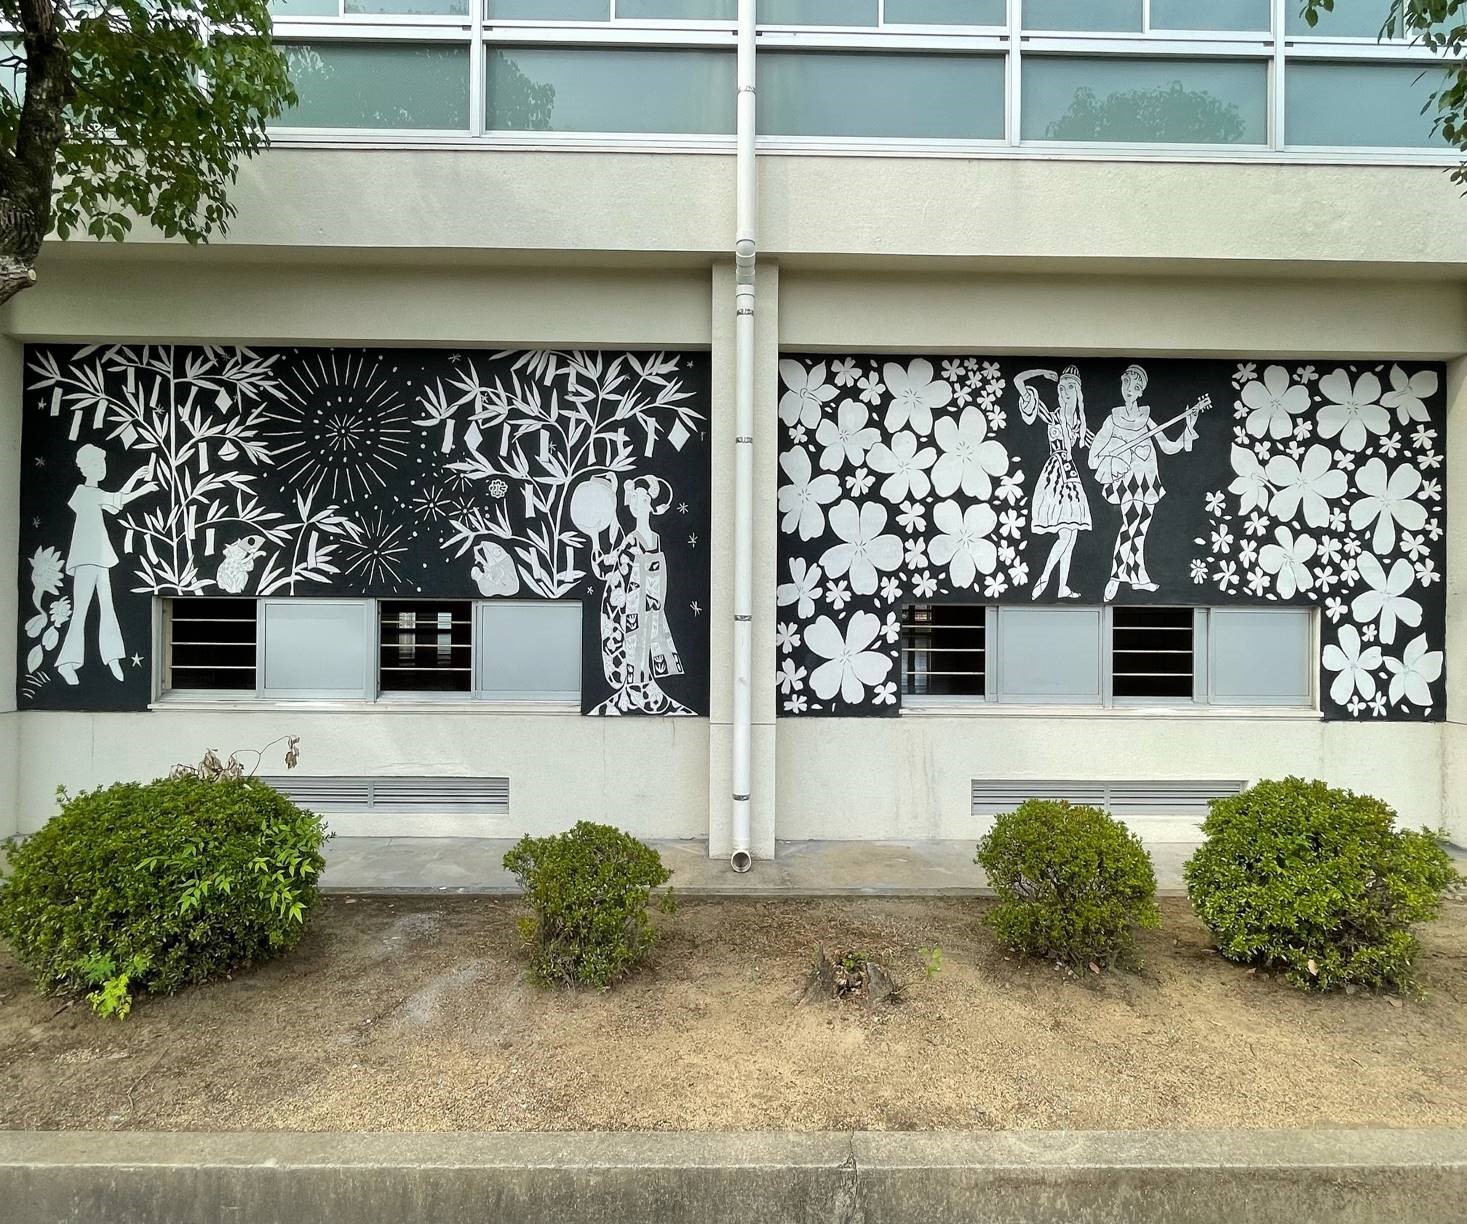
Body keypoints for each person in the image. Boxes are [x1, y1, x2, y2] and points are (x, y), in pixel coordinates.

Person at [1088, 364, 1199, 601]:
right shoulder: (1113, 420)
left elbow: (1169, 447)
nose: (1130, 389)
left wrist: (1189, 426)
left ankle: (1138, 577)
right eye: (1127, 382)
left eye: (1136, 386)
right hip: (1127, 480)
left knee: (1141, 530)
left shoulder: (1146, 418)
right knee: (1130, 524)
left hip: (1148, 480)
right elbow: (1093, 458)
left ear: (1141, 392)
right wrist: (1114, 453)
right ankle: (1116, 576)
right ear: (1122, 383)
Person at [586, 474, 690, 715]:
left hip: (634, 606)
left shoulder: (634, 540)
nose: (635, 503)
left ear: (652, 506)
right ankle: (638, 689)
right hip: (644, 605)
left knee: (635, 648)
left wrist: (595, 540)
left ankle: (638, 690)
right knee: (638, 649)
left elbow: (605, 569)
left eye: (642, 499)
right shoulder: (651, 540)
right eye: (634, 497)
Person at [56, 445, 156, 685]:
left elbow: (114, 502)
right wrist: (142, 488)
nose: (102, 468)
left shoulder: (96, 493)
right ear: (85, 468)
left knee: (107, 605)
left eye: (102, 463)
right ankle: (67, 663)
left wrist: (135, 478)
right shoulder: (83, 492)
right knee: (81, 609)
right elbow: (117, 499)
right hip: (86, 558)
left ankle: (113, 657)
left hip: (100, 557)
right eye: (96, 464)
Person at [1015, 365, 1092, 599]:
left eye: (1070, 387)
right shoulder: (1052, 416)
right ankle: (1045, 576)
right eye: (1062, 388)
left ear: (1077, 391)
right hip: (1056, 477)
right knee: (1066, 536)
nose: (1065, 392)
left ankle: (1062, 587)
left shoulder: (1079, 425)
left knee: (1071, 536)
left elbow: (1098, 444)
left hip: (1071, 477)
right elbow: (1018, 381)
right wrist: (1042, 373)